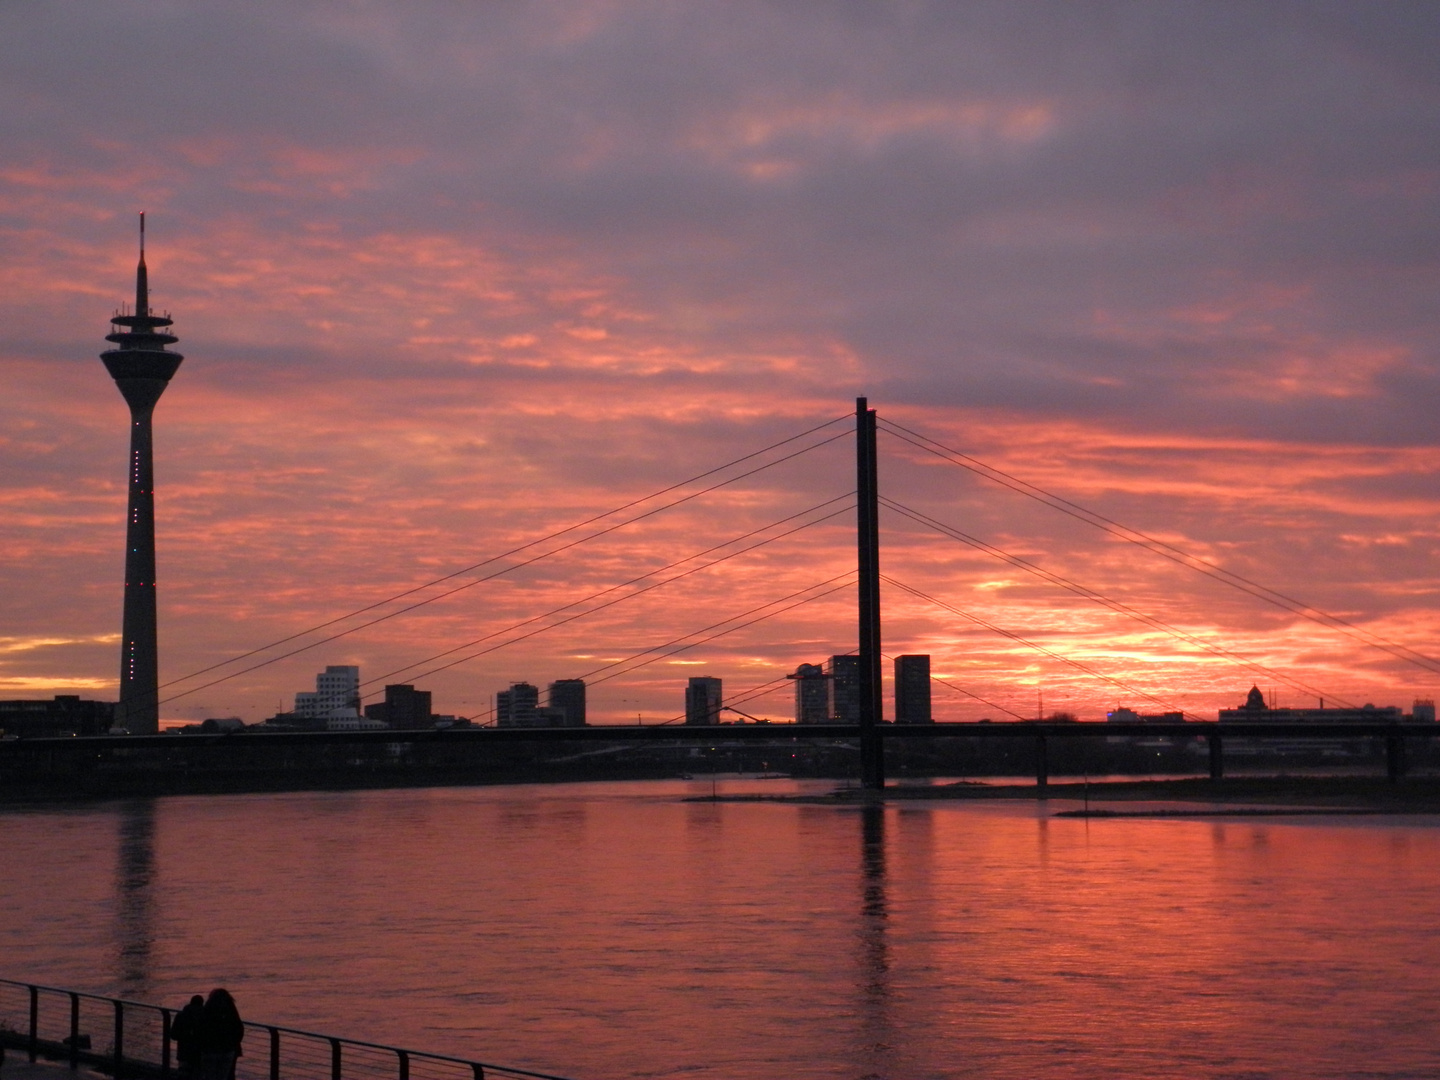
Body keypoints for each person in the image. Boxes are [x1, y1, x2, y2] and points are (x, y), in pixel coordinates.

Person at [197, 988, 244, 1080]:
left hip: (210, 1050)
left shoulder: (208, 1009)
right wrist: (233, 1044)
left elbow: (201, 1028)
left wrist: (203, 1045)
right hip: (228, 1049)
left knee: (210, 1075)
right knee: (224, 1076)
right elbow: (239, 1028)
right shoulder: (231, 1009)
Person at [170, 995, 205, 1078]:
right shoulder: (205, 1016)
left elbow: (173, 1035)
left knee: (183, 1073)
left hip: (183, 1052)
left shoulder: (181, 1015)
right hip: (199, 1053)